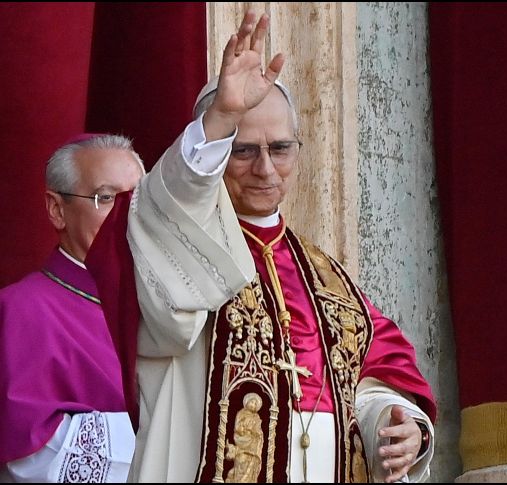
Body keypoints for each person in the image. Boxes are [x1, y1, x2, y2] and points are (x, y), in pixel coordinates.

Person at [88, 9, 436, 484]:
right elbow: (167, 208)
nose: (266, 170)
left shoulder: (328, 278)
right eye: (244, 150)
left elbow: (373, 378)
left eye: (280, 148)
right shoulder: (183, 251)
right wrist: (220, 118)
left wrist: (398, 428)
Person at [0, 134, 145, 482]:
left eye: (138, 198)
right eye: (106, 197)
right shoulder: (21, 309)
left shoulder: (169, 302)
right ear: (56, 209)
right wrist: (168, 436)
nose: (126, 215)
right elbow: (33, 454)